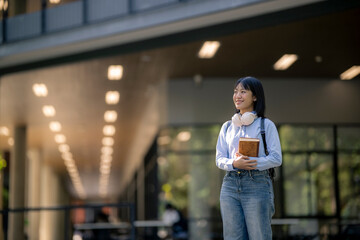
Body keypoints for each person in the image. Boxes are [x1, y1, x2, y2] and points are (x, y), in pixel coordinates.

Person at [216, 76, 282, 240]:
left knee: (259, 236)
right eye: (235, 91)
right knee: (232, 237)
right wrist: (234, 163)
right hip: (230, 184)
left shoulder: (266, 125)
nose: (237, 95)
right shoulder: (227, 127)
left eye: (243, 91)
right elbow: (219, 159)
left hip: (257, 184)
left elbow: (276, 158)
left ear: (255, 96)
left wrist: (251, 163)